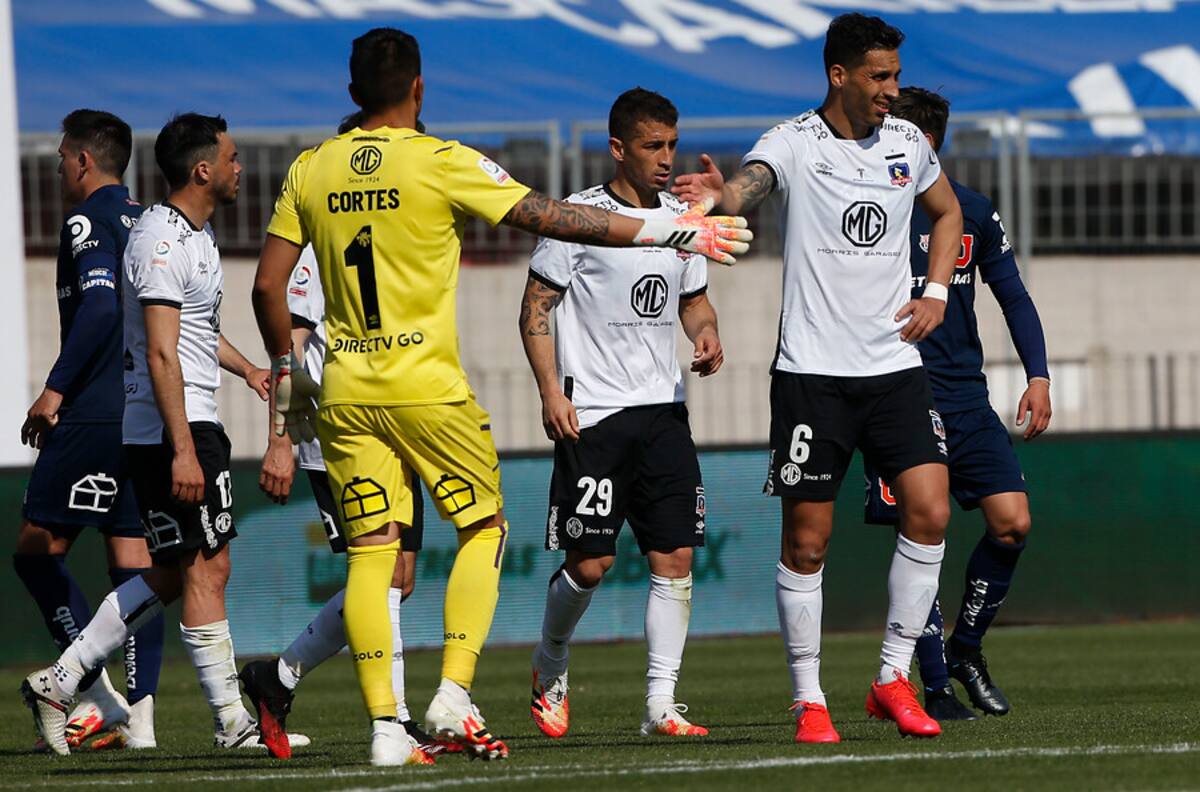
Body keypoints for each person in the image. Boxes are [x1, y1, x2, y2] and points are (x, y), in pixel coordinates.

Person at [251, 28, 750, 766]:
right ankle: (452, 692)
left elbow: (267, 287)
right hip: (425, 387)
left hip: (344, 393)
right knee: (483, 528)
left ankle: (388, 730)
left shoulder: (309, 169)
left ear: (353, 94)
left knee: (370, 555)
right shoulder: (442, 160)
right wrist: (669, 229)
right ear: (419, 89)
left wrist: (291, 378)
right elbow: (550, 218)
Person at [673, 13, 964, 743]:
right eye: (879, 77)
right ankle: (809, 699)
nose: (891, 91)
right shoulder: (794, 141)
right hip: (813, 375)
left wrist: (934, 293)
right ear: (839, 75)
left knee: (930, 511)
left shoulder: (905, 143)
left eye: (895, 76)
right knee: (807, 542)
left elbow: (948, 209)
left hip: (895, 369)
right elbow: (752, 184)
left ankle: (892, 678)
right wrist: (719, 197)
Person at [21, 113, 300, 758]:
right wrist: (181, 446)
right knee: (207, 569)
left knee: (182, 575)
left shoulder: (193, 237)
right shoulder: (159, 241)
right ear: (202, 169)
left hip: (189, 422)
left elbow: (195, 336)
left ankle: (61, 681)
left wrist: (249, 368)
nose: (239, 169)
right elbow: (160, 354)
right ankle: (233, 722)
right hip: (172, 430)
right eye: (231, 158)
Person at [522, 88, 719, 741]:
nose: (666, 159)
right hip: (595, 415)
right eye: (651, 146)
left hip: (663, 411)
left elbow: (693, 300)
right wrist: (552, 392)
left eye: (671, 145)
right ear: (618, 148)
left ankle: (660, 706)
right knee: (590, 566)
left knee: (676, 558)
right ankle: (550, 659)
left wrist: (706, 331)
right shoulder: (577, 216)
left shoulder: (682, 219)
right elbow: (536, 311)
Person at [245, 113, 437, 759]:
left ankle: (279, 675)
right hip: (338, 432)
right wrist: (278, 438)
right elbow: (291, 346)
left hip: (399, 424)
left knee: (399, 577)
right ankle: (397, 719)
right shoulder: (324, 247)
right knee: (379, 572)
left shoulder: (404, 236)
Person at [864, 86, 1051, 721]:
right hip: (898, 393)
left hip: (968, 396)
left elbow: (1015, 297)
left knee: (1013, 522)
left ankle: (966, 648)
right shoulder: (869, 207)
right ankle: (935, 687)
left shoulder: (969, 210)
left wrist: (1039, 375)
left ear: (927, 145)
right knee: (925, 531)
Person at [14, 109, 165, 751]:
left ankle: (90, 690)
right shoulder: (151, 222)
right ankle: (142, 721)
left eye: (59, 157)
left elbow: (100, 305)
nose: (56, 168)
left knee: (34, 551)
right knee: (135, 570)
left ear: (82, 161)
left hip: (96, 413)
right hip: (144, 413)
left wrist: (55, 389)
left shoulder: (87, 220)